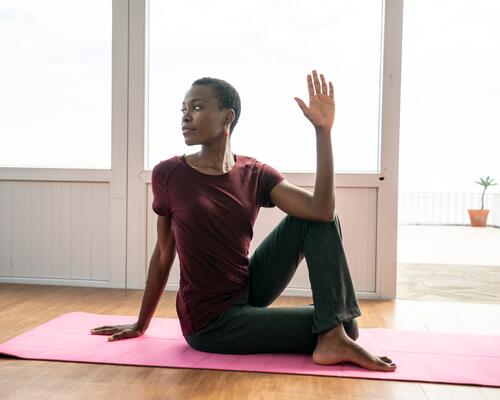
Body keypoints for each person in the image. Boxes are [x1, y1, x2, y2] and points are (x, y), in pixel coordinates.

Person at [91, 70, 396, 372]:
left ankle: (333, 336)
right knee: (344, 322)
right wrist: (141, 323)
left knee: (318, 226)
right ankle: (333, 335)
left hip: (247, 289)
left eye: (197, 107)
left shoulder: (254, 172)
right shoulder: (168, 174)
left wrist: (323, 132)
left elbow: (322, 211)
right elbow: (162, 254)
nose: (185, 117)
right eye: (183, 110)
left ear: (227, 118)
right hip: (212, 322)